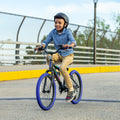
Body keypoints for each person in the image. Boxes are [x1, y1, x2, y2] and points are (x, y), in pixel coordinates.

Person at [36, 13, 76, 102]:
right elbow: (46, 41)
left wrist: (69, 45)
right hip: (59, 54)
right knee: (49, 56)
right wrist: (42, 46)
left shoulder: (67, 32)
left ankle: (71, 90)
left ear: (65, 24)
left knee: (62, 68)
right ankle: (55, 74)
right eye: (56, 22)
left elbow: (73, 42)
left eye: (59, 23)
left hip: (68, 55)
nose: (57, 24)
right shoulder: (53, 32)